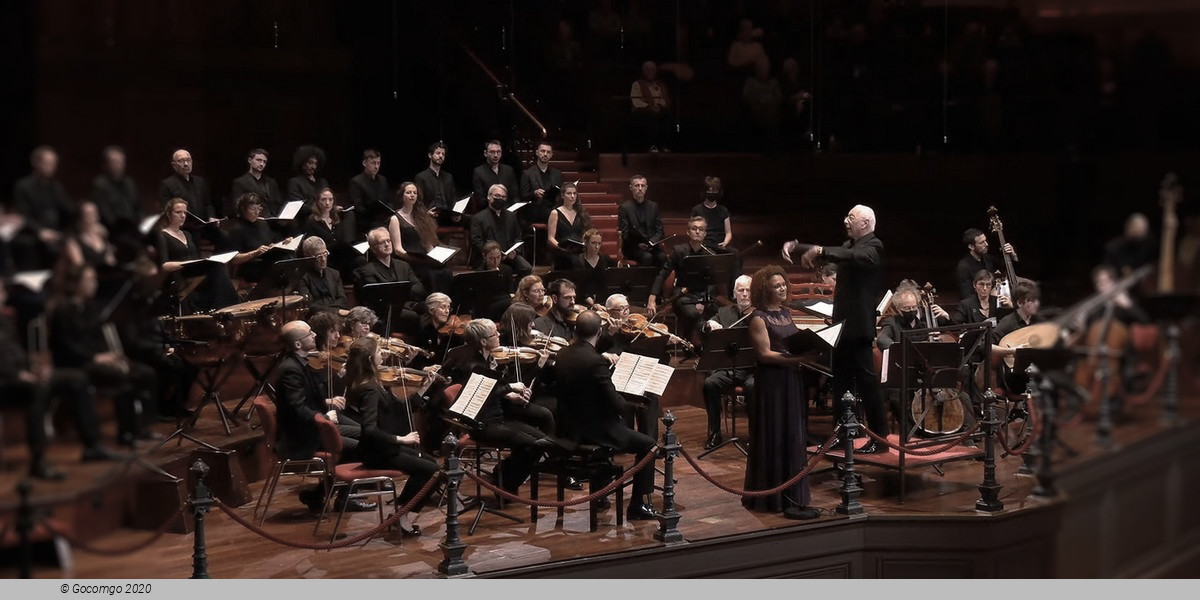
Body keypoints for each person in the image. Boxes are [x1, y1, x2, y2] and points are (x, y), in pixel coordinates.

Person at [783, 204, 887, 453]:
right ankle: (843, 433)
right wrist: (799, 247)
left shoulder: (873, 246)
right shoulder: (849, 245)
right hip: (842, 327)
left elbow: (853, 257)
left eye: (851, 217)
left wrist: (820, 250)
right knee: (841, 382)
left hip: (859, 328)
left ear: (865, 223)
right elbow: (836, 253)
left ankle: (880, 438)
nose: (845, 220)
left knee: (867, 384)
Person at [0, 282, 117, 479]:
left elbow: (17, 354)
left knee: (76, 379)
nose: (4, 295)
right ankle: (38, 461)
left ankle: (92, 446)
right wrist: (19, 375)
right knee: (38, 389)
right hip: (6, 381)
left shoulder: (4, 320)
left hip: (21, 375)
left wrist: (35, 368)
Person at [555, 311, 659, 520]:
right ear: (599, 332)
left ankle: (601, 495)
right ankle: (637, 506)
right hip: (594, 430)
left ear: (575, 329)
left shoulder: (563, 353)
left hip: (568, 426)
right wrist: (633, 404)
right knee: (649, 445)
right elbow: (615, 403)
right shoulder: (596, 362)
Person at [48, 265, 160, 449]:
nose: (95, 284)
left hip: (96, 358)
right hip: (77, 362)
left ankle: (144, 427)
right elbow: (67, 346)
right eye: (89, 280)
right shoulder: (63, 310)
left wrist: (112, 355)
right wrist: (96, 357)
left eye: (94, 279)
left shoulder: (91, 307)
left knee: (146, 373)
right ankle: (126, 434)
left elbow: (97, 338)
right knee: (123, 378)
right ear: (75, 284)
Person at [441, 318, 554, 495]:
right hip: (483, 426)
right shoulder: (473, 365)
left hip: (499, 419)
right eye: (495, 333)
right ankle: (505, 484)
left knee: (543, 442)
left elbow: (499, 389)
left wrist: (512, 390)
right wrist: (510, 387)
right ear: (483, 342)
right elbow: (486, 393)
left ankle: (502, 474)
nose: (499, 335)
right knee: (533, 445)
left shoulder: (490, 360)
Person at [741, 265, 820, 520]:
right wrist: (797, 359)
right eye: (777, 286)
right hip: (772, 383)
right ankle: (774, 497)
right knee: (774, 434)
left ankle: (793, 496)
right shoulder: (758, 318)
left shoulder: (786, 313)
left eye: (783, 284)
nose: (782, 288)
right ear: (765, 290)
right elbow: (764, 354)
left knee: (792, 434)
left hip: (791, 379)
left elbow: (791, 343)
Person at [272, 320, 373, 513]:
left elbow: (306, 400)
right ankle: (342, 498)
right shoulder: (290, 369)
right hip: (301, 437)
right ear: (298, 344)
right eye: (309, 333)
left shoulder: (299, 362)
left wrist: (326, 404)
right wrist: (325, 418)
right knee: (362, 446)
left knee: (365, 434)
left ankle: (318, 495)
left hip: (311, 428)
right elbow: (298, 408)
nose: (314, 335)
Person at [342, 336, 438, 535]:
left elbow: (396, 408)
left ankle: (400, 513)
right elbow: (369, 430)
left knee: (431, 464)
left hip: (383, 448)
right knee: (432, 471)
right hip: (377, 452)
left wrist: (422, 389)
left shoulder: (372, 382)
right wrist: (401, 439)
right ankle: (401, 516)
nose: (383, 354)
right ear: (370, 359)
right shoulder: (369, 388)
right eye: (379, 351)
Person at [647, 215, 727, 347]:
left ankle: (709, 345)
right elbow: (662, 274)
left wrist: (702, 300)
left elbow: (712, 282)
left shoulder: (710, 254)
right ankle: (693, 343)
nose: (697, 232)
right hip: (683, 296)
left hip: (703, 295)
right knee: (692, 313)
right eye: (694, 228)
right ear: (688, 232)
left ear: (705, 233)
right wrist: (652, 297)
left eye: (701, 229)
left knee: (720, 311)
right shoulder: (678, 251)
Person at [154, 198, 239, 314]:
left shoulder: (187, 234)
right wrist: (186, 264)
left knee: (218, 266)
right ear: (169, 214)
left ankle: (226, 309)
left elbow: (196, 257)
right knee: (215, 270)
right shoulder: (162, 236)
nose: (182, 216)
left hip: (194, 272)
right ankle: (225, 309)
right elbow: (164, 265)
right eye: (178, 212)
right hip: (179, 275)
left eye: (185, 213)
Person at [700, 274, 755, 450]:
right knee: (710, 383)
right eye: (741, 290)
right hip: (730, 368)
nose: (745, 294)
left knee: (753, 386)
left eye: (748, 290)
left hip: (753, 369)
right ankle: (715, 433)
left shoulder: (759, 314)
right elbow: (705, 326)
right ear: (734, 293)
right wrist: (709, 324)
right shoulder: (724, 312)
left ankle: (756, 435)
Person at [10, 145, 73, 270]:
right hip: (34, 233)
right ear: (35, 163)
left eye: (54, 163)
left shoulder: (56, 187)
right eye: (47, 163)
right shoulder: (23, 186)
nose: (51, 167)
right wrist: (40, 231)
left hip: (55, 232)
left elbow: (68, 210)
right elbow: (23, 215)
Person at [352, 228, 425, 336]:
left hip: (408, 306)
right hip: (385, 311)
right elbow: (377, 296)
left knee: (430, 308)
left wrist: (400, 291)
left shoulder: (403, 265)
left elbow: (419, 288)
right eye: (382, 242)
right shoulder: (367, 270)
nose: (387, 244)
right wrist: (405, 290)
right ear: (373, 249)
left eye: (388, 241)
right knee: (414, 317)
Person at [387, 181, 451, 294]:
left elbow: (428, 243)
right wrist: (418, 260)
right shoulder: (395, 219)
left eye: (415, 193)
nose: (412, 195)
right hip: (408, 260)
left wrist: (433, 257)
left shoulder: (421, 216)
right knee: (431, 274)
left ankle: (444, 302)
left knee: (446, 272)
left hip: (424, 258)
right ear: (402, 196)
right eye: (408, 192)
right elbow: (398, 250)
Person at [469, 184, 531, 277]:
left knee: (526, 268)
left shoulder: (511, 216)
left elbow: (518, 236)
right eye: (497, 196)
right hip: (489, 256)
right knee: (500, 269)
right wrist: (494, 253)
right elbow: (476, 241)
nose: (500, 199)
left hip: (510, 255)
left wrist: (515, 251)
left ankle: (515, 286)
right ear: (489, 197)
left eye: (503, 197)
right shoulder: (478, 218)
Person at [302, 187, 363, 281]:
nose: (327, 203)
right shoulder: (312, 221)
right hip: (326, 258)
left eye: (330, 199)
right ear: (317, 202)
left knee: (361, 260)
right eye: (323, 199)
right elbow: (312, 244)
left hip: (341, 256)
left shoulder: (336, 219)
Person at [90, 145, 140, 256]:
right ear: (105, 165)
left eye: (121, 162)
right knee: (132, 245)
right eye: (114, 162)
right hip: (114, 230)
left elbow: (137, 207)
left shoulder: (129, 183)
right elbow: (106, 215)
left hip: (133, 228)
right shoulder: (100, 185)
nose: (119, 165)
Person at [875, 288, 950, 351]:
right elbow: (882, 339)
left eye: (914, 307)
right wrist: (900, 349)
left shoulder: (925, 322)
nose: (911, 310)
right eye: (907, 308)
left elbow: (953, 331)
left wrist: (946, 316)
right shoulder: (892, 322)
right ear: (898, 308)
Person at [955, 227, 1017, 302]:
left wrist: (1013, 255)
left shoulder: (988, 258)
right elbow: (967, 295)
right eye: (981, 243)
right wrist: (988, 295)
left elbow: (1008, 269)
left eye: (985, 241)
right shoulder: (963, 267)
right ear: (971, 246)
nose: (986, 244)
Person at [618, 174, 666, 268]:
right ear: (631, 188)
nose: (640, 188)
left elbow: (660, 231)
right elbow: (625, 234)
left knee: (663, 257)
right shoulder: (625, 208)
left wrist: (652, 242)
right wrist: (638, 245)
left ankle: (659, 278)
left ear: (646, 187)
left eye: (642, 185)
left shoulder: (653, 206)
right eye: (637, 185)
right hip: (634, 247)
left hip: (652, 245)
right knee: (647, 257)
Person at [294, 236, 348, 315]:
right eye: (318, 256)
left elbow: (343, 300)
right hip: (317, 318)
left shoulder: (334, 273)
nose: (323, 259)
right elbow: (309, 306)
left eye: (325, 253)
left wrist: (335, 311)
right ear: (308, 257)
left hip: (338, 314)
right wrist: (336, 311)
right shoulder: (301, 277)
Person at [413, 141, 462, 226]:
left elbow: (453, 198)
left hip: (448, 214)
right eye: (438, 153)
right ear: (430, 155)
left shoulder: (448, 177)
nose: (441, 156)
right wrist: (426, 213)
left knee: (472, 219)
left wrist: (457, 213)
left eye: (443, 154)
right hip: (430, 214)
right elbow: (419, 201)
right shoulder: (421, 177)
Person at [230, 148, 283, 223]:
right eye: (258, 160)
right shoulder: (240, 182)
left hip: (274, 219)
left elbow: (278, 202)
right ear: (249, 160)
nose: (261, 164)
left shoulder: (271, 182)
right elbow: (238, 207)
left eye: (264, 162)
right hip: (254, 221)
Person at [546, 182, 590, 270]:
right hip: (562, 251)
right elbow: (551, 238)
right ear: (562, 195)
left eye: (574, 193)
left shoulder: (580, 213)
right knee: (572, 261)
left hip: (578, 251)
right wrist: (563, 248)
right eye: (569, 193)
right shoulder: (555, 213)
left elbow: (585, 233)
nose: (572, 196)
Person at [519, 142, 564, 229]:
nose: (545, 154)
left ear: (551, 155)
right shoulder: (527, 173)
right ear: (537, 153)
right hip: (535, 210)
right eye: (542, 151)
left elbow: (560, 193)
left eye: (548, 152)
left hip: (553, 208)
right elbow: (523, 195)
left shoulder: (557, 174)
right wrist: (534, 193)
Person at [630, 61, 671, 152]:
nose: (650, 72)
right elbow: (636, 101)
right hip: (643, 111)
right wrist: (649, 107)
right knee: (650, 119)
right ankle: (651, 145)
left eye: (652, 70)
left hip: (659, 110)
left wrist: (660, 105)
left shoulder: (660, 84)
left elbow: (665, 98)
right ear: (643, 71)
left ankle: (663, 145)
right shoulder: (637, 84)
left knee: (667, 116)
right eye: (647, 70)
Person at [348, 148, 391, 235]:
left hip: (383, 219)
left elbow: (388, 201)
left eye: (378, 163)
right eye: (373, 163)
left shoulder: (383, 180)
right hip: (367, 222)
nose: (376, 166)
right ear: (364, 163)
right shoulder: (356, 181)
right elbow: (358, 207)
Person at [1103, 213, 1157, 278]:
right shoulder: (1113, 247)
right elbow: (1108, 271)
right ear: (1128, 228)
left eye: (1143, 231)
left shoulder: (1149, 246)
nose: (1140, 235)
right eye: (1138, 230)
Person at [471, 140, 520, 212]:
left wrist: (512, 210)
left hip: (508, 211)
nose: (496, 155)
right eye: (492, 152)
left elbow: (515, 195)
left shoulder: (509, 170)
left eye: (498, 152)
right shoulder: (479, 172)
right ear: (485, 153)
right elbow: (481, 199)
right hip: (488, 211)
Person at [572, 228, 615, 305]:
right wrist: (587, 298)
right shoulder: (578, 260)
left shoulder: (605, 259)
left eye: (599, 243)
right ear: (586, 243)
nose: (597, 247)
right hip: (583, 300)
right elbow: (577, 285)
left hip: (603, 299)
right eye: (593, 243)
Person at [690, 176, 733, 250]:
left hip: (720, 246)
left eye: (714, 191)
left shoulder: (723, 210)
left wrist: (725, 243)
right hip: (703, 246)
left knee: (736, 253)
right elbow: (691, 230)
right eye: (709, 191)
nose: (712, 193)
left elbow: (728, 233)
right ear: (705, 191)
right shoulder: (697, 210)